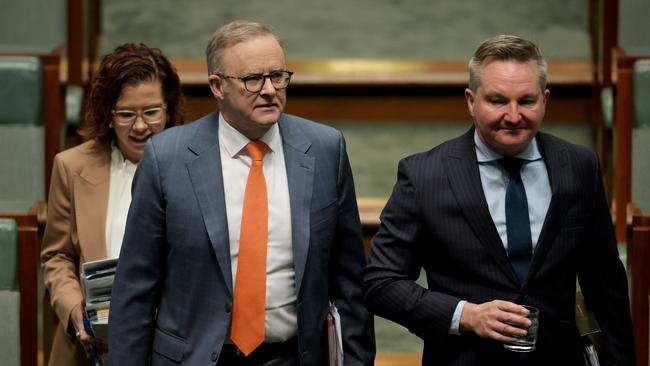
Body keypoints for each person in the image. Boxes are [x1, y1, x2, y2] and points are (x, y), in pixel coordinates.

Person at [108, 20, 375, 365]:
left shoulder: (325, 150)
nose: (269, 90)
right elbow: (135, 289)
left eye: (277, 76)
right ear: (217, 86)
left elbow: (349, 282)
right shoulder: (166, 158)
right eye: (252, 79)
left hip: (293, 356)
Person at [363, 35, 635, 365]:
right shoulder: (424, 175)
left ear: (545, 100)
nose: (513, 115)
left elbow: (607, 287)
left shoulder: (579, 167)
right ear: (470, 101)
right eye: (497, 101)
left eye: (526, 101)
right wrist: (467, 315)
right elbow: (382, 283)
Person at [41, 43, 185, 366]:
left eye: (151, 112)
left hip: (173, 345)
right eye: (125, 114)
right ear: (108, 113)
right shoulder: (72, 166)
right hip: (92, 348)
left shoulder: (195, 165)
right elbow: (57, 255)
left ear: (169, 109)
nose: (139, 126)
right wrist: (75, 310)